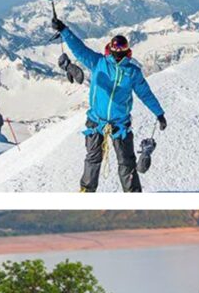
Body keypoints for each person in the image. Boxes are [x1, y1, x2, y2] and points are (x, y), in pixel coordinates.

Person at [51, 16, 166, 192]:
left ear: (127, 50)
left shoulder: (132, 72)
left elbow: (145, 93)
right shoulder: (98, 62)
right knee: (93, 159)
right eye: (115, 48)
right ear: (110, 49)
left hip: (120, 124)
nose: (118, 51)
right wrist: (64, 30)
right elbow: (79, 49)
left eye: (122, 48)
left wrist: (159, 113)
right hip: (97, 122)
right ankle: (87, 192)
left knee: (126, 162)